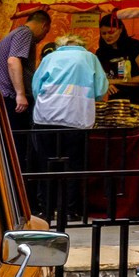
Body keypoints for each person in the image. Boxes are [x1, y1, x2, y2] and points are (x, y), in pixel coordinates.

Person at [29, 35, 109, 219]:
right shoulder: (90, 58)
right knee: (73, 166)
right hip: (77, 118)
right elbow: (101, 89)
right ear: (82, 45)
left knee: (46, 164)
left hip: (46, 117)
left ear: (60, 45)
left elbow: (36, 86)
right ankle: (70, 210)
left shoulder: (50, 58)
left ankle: (45, 210)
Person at [0, 6, 50, 135]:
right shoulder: (25, 33)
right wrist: (20, 94)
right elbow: (13, 61)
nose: (43, 37)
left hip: (0, 94)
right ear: (44, 26)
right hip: (9, 97)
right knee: (16, 142)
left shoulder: (16, 33)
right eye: (46, 32)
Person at [96, 12, 139, 88]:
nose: (107, 36)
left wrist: (114, 81)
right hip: (113, 99)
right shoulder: (100, 52)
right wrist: (106, 85)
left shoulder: (135, 46)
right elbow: (98, 78)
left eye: (111, 32)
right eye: (103, 33)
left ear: (120, 29)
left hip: (137, 97)